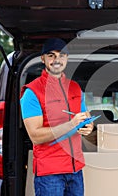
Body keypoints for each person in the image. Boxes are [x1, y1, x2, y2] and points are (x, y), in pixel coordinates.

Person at [20, 38, 94, 196]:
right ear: (43, 59)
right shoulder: (32, 92)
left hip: (75, 170)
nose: (57, 60)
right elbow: (35, 136)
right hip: (50, 174)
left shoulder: (75, 88)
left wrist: (88, 127)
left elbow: (84, 118)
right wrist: (71, 124)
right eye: (51, 55)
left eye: (61, 55)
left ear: (67, 58)